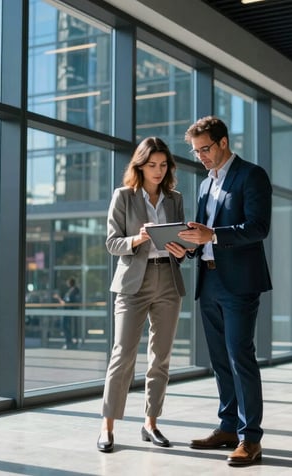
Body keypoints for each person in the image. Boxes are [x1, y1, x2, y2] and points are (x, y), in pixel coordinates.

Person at [177, 116, 272, 467]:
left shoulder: (251, 175)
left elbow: (258, 228)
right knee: (219, 361)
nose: (200, 156)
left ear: (222, 143)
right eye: (196, 151)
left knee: (240, 357)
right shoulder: (206, 185)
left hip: (240, 283)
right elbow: (201, 233)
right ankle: (228, 426)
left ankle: (250, 438)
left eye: (205, 149)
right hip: (210, 279)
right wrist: (186, 245)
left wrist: (213, 236)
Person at [97, 137, 187, 453]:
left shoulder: (175, 199)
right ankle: (107, 427)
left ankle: (151, 423)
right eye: (152, 165)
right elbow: (111, 243)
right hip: (132, 282)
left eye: (163, 165)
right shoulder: (123, 196)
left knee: (160, 357)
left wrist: (181, 249)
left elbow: (183, 245)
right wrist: (138, 238)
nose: (158, 171)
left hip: (168, 279)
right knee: (122, 355)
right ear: (140, 165)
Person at [53, 277, 81, 349]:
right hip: (69, 312)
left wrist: (58, 298)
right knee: (68, 327)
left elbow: (65, 303)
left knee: (66, 327)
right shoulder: (72, 291)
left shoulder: (73, 291)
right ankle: (70, 342)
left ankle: (69, 342)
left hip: (69, 312)